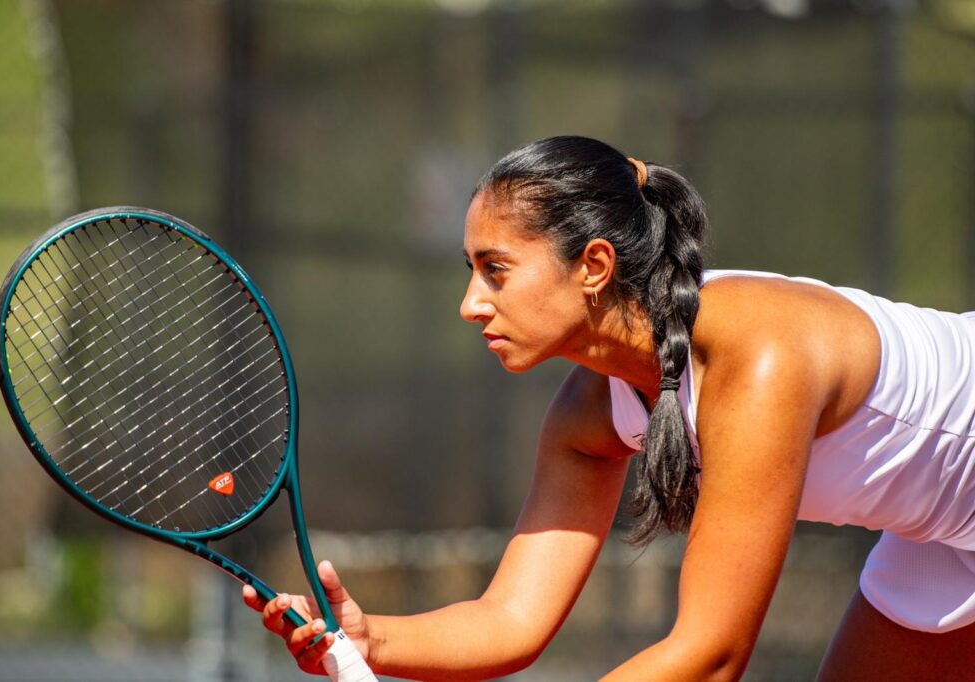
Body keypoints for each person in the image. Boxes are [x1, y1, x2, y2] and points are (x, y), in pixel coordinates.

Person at [242, 136, 975, 680]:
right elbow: (512, 622)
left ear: (593, 266)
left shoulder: (759, 360)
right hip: (939, 533)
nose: (470, 305)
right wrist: (373, 644)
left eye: (496, 271)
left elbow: (712, 654)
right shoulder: (587, 415)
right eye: (471, 272)